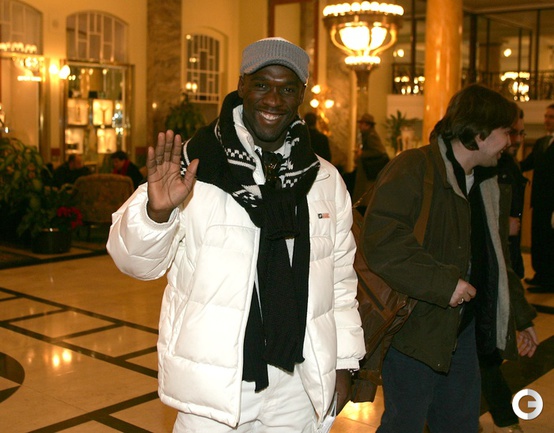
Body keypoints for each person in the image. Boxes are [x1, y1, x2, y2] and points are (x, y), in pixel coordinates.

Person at [107, 37, 365, 432]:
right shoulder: (194, 166)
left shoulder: (323, 179)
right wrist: (156, 213)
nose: (273, 99)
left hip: (298, 384)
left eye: (287, 88)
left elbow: (341, 281)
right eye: (262, 84)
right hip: (217, 384)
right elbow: (134, 263)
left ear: (301, 95)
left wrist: (344, 363)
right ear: (242, 85)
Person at [361, 84, 538, 433]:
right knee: (404, 424)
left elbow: (496, 259)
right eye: (506, 132)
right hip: (416, 330)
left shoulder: (486, 184)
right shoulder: (414, 167)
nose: (511, 141)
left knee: (459, 424)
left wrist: (521, 316)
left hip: (464, 329)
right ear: (479, 134)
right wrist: (445, 284)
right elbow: (382, 241)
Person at [520, 103, 554, 291]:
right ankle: (540, 275)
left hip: (552, 204)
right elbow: (526, 164)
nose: (547, 120)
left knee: (550, 241)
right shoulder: (541, 142)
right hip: (538, 202)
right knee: (538, 239)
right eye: (546, 116)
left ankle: (549, 279)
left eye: (551, 117)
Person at [497, 108, 528, 279]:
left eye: (521, 133)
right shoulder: (490, 167)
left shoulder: (512, 165)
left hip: (510, 256)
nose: (517, 140)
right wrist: (503, 226)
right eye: (513, 133)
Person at [352, 113, 389, 211]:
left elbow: (379, 151)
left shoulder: (371, 136)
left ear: (367, 125)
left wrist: (362, 153)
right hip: (367, 170)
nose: (360, 126)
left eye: (362, 124)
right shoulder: (367, 135)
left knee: (366, 196)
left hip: (368, 172)